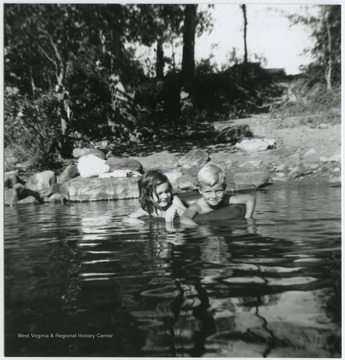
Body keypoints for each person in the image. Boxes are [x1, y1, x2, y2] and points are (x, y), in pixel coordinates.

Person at [180, 163, 256, 226]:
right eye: (208, 192)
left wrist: (248, 218)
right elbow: (184, 218)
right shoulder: (198, 207)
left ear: (224, 188)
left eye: (218, 191)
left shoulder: (226, 199)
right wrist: (199, 228)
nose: (214, 196)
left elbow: (250, 198)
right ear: (200, 191)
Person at [122, 169, 187, 224]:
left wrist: (176, 208)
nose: (165, 196)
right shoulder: (149, 210)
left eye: (167, 191)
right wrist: (132, 221)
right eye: (159, 193)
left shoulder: (174, 200)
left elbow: (189, 214)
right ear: (148, 195)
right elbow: (126, 218)